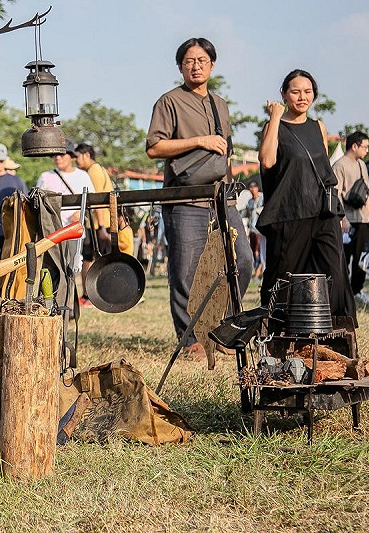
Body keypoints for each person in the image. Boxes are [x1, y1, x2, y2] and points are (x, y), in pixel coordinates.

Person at [146, 37, 253, 359]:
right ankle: (189, 337)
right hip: (184, 198)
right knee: (185, 271)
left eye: (202, 60)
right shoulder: (169, 101)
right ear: (180, 66)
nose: (196, 66)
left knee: (243, 260)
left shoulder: (221, 104)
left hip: (221, 197)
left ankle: (222, 328)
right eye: (190, 61)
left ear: (212, 65)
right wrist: (200, 140)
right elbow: (154, 148)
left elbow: (227, 152)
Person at [257, 69, 355, 321]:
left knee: (334, 271)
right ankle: (275, 330)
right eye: (296, 91)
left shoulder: (318, 126)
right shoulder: (274, 125)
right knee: (284, 274)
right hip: (289, 212)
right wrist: (275, 117)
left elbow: (323, 168)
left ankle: (334, 330)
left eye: (308, 91)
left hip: (323, 212)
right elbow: (267, 161)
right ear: (284, 94)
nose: (302, 97)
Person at [37, 139, 97, 305]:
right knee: (50, 269)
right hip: (51, 231)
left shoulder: (82, 176)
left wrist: (80, 213)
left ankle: (66, 304)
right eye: (55, 155)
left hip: (73, 230)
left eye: (61, 154)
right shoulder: (45, 177)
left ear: (71, 156)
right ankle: (47, 304)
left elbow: (91, 201)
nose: (57, 158)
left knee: (69, 269)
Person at [334, 131, 369, 305]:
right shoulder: (340, 165)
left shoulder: (362, 165)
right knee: (343, 258)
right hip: (348, 219)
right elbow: (336, 193)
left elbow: (368, 190)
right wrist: (342, 218)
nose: (367, 150)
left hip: (364, 218)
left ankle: (357, 289)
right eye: (364, 146)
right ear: (354, 146)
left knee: (362, 257)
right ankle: (342, 292)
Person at [75, 143, 113, 304]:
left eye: (77, 156)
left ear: (86, 155)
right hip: (98, 223)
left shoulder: (94, 171)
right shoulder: (97, 169)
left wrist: (102, 228)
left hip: (97, 224)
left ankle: (88, 296)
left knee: (89, 259)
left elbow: (96, 201)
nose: (75, 160)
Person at [243, 179, 265, 281]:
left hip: (259, 230)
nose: (252, 189)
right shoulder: (249, 202)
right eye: (250, 187)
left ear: (257, 188)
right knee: (253, 252)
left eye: (254, 187)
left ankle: (257, 274)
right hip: (252, 230)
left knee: (259, 252)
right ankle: (256, 272)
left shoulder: (262, 200)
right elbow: (247, 215)